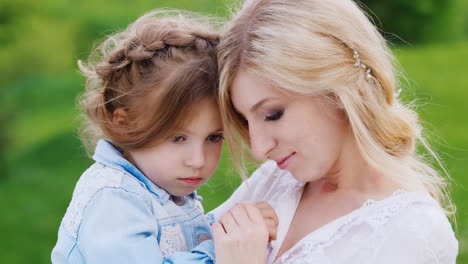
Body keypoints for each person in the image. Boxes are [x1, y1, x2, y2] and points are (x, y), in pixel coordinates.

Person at [210, 0, 459, 263]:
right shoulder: (276, 180)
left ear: (337, 89)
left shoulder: (410, 232)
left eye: (273, 114)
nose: (259, 148)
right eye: (246, 121)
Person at [51, 9, 277, 263]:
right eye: (178, 138)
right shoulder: (114, 198)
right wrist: (222, 250)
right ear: (126, 124)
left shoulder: (160, 186)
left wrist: (235, 228)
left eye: (214, 137)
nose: (197, 160)